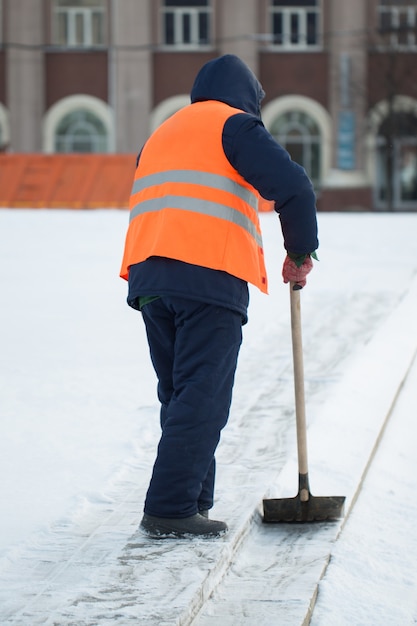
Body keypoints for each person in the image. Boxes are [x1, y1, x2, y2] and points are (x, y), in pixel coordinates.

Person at [120, 54, 318, 539]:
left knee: (181, 396)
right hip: (207, 276)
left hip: (150, 280)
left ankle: (191, 502)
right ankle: (169, 509)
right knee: (202, 396)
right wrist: (300, 251)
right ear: (247, 97)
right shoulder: (234, 126)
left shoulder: (161, 134)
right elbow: (294, 187)